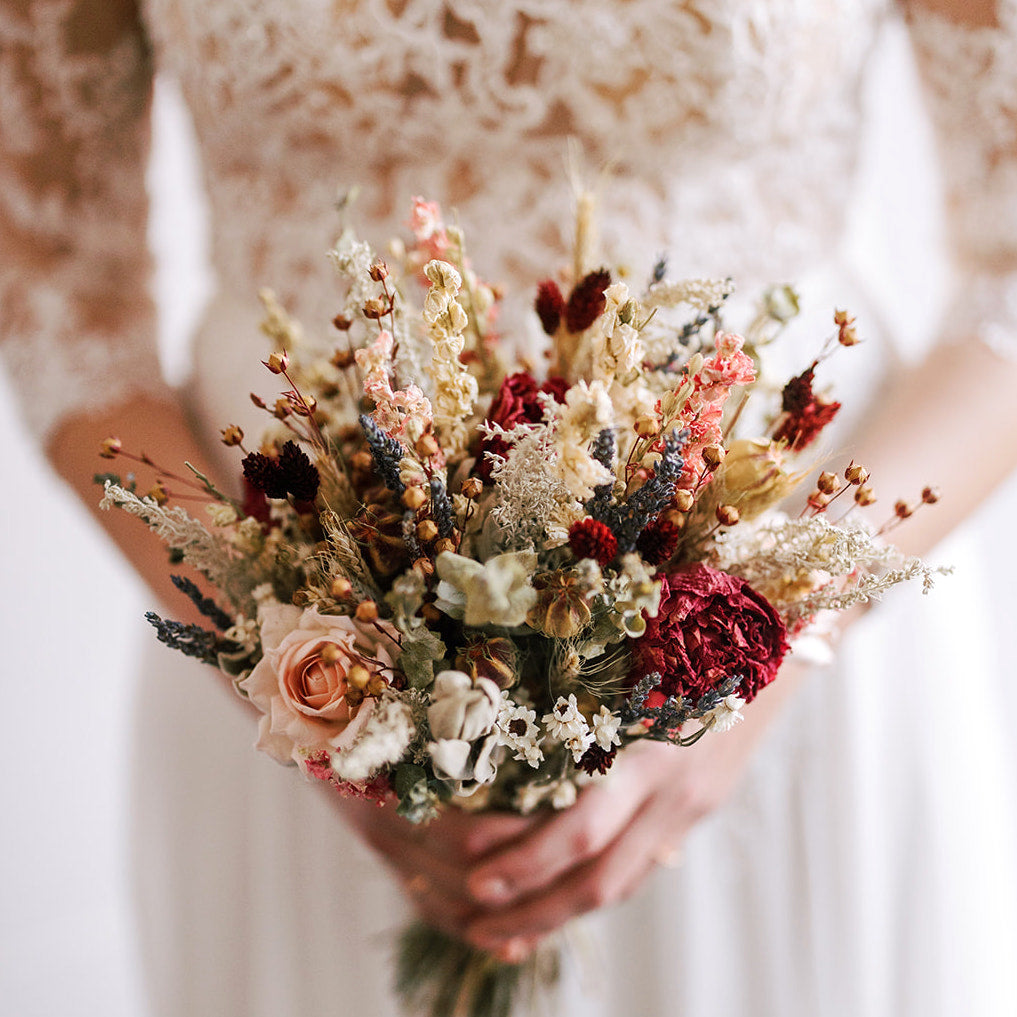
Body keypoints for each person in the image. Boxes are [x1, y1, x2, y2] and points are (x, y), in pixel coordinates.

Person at [3, 0, 1017, 1014]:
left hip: (793, 620)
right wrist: (287, 660)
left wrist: (775, 630)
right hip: (272, 600)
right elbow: (57, 291)